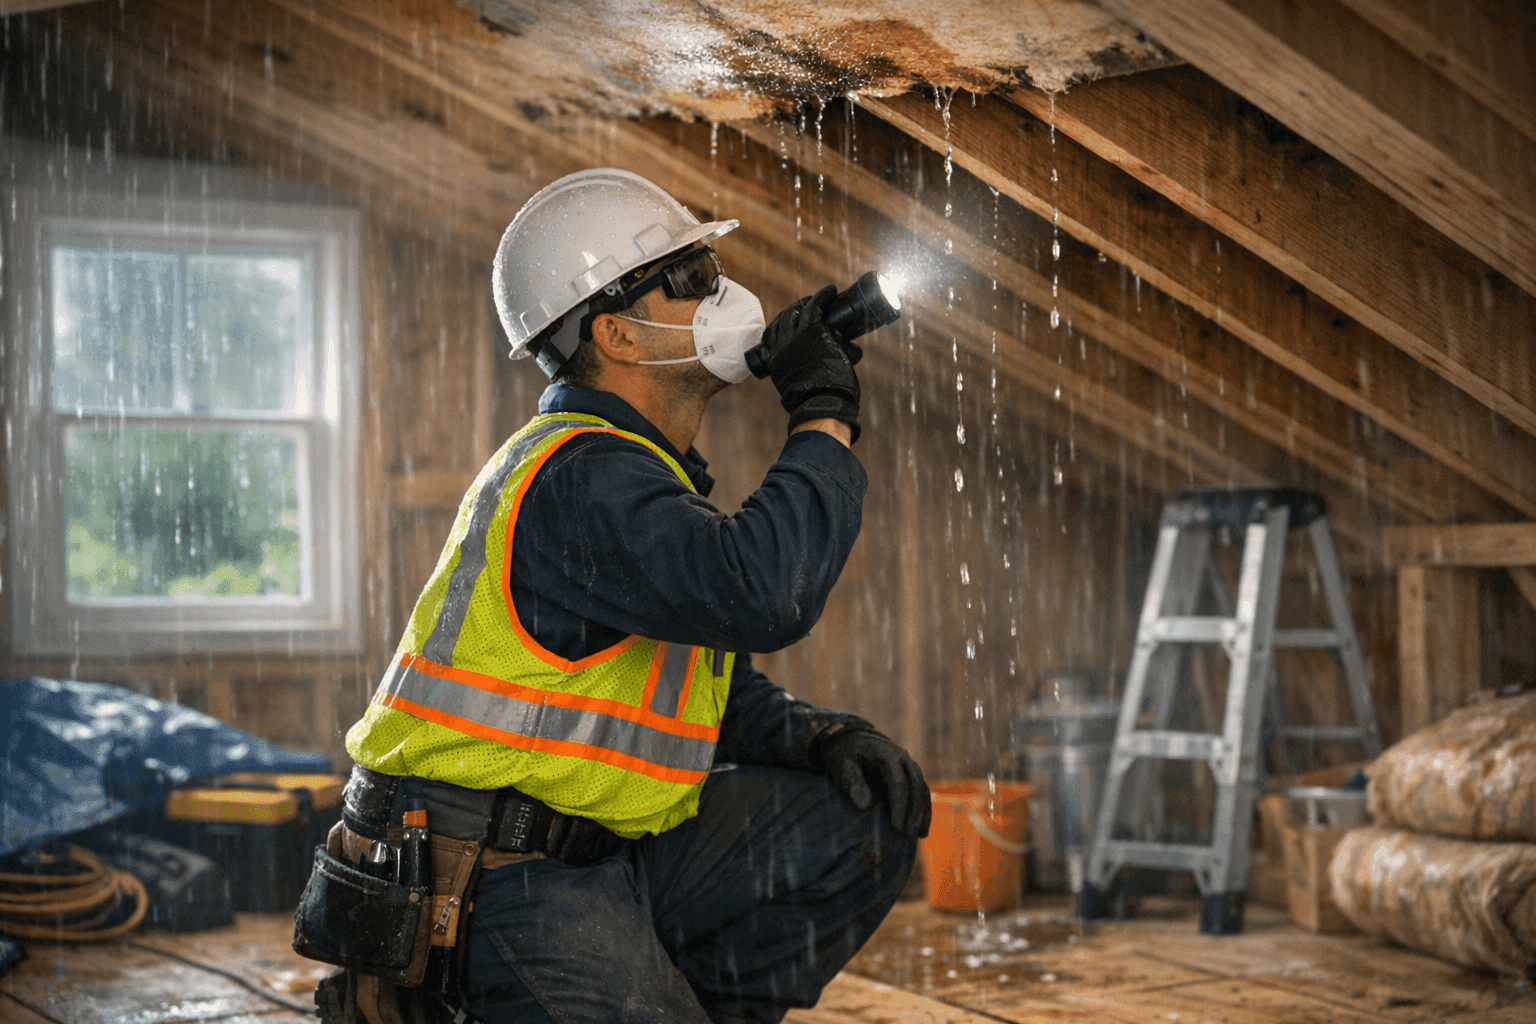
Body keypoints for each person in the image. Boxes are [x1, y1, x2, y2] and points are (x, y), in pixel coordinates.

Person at [314, 168, 930, 1024]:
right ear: (617, 334)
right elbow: (763, 592)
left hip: (597, 853)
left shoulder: (634, 474)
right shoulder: (582, 474)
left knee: (853, 818)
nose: (721, 293)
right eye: (691, 278)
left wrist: (815, 737)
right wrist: (823, 414)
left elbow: (685, 682)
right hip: (487, 875)